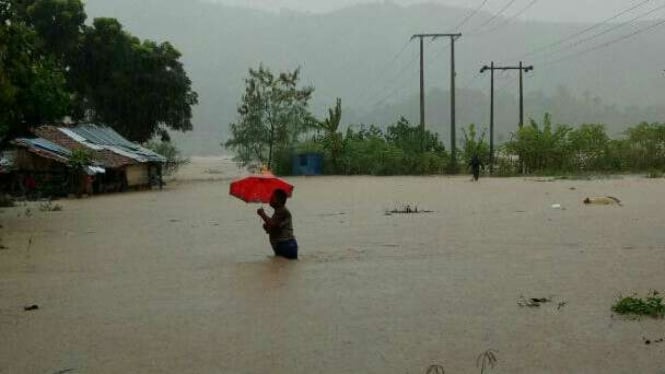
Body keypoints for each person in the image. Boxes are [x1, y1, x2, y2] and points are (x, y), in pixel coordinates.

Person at [257, 189, 298, 260]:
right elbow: (276, 229)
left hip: (285, 245)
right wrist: (267, 227)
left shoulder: (282, 211)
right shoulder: (278, 212)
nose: (270, 199)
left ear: (278, 200)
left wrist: (263, 214)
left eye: (272, 197)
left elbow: (273, 225)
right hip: (285, 245)